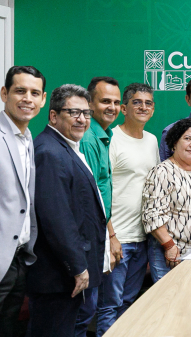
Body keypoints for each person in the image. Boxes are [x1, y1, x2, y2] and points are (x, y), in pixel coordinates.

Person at [27, 85, 107, 337]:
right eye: (73, 112)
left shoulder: (66, 147)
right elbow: (56, 218)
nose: (82, 119)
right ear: (53, 116)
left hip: (64, 275)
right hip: (58, 276)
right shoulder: (49, 152)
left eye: (86, 113)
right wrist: (77, 267)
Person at [95, 84, 160, 335]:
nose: (143, 107)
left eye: (148, 103)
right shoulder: (110, 139)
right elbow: (100, 191)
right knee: (109, 305)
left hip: (142, 238)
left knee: (129, 303)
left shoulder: (152, 140)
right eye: (137, 102)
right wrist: (111, 236)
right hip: (117, 238)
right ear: (124, 108)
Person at [143, 117, 191, 282]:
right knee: (170, 296)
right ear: (174, 142)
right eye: (187, 139)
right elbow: (152, 215)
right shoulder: (161, 172)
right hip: (171, 253)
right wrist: (169, 246)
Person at [0, 66, 46, 334]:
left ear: (43, 99)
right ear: (4, 94)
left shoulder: (27, 137)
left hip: (18, 259)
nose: (28, 98)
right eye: (20, 91)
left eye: (34, 93)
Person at [75, 77, 122, 337]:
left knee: (87, 310)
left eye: (116, 102)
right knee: (82, 314)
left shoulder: (103, 135)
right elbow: (90, 196)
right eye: (105, 101)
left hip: (97, 232)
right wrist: (111, 236)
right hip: (89, 236)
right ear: (90, 104)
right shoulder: (89, 139)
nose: (112, 107)